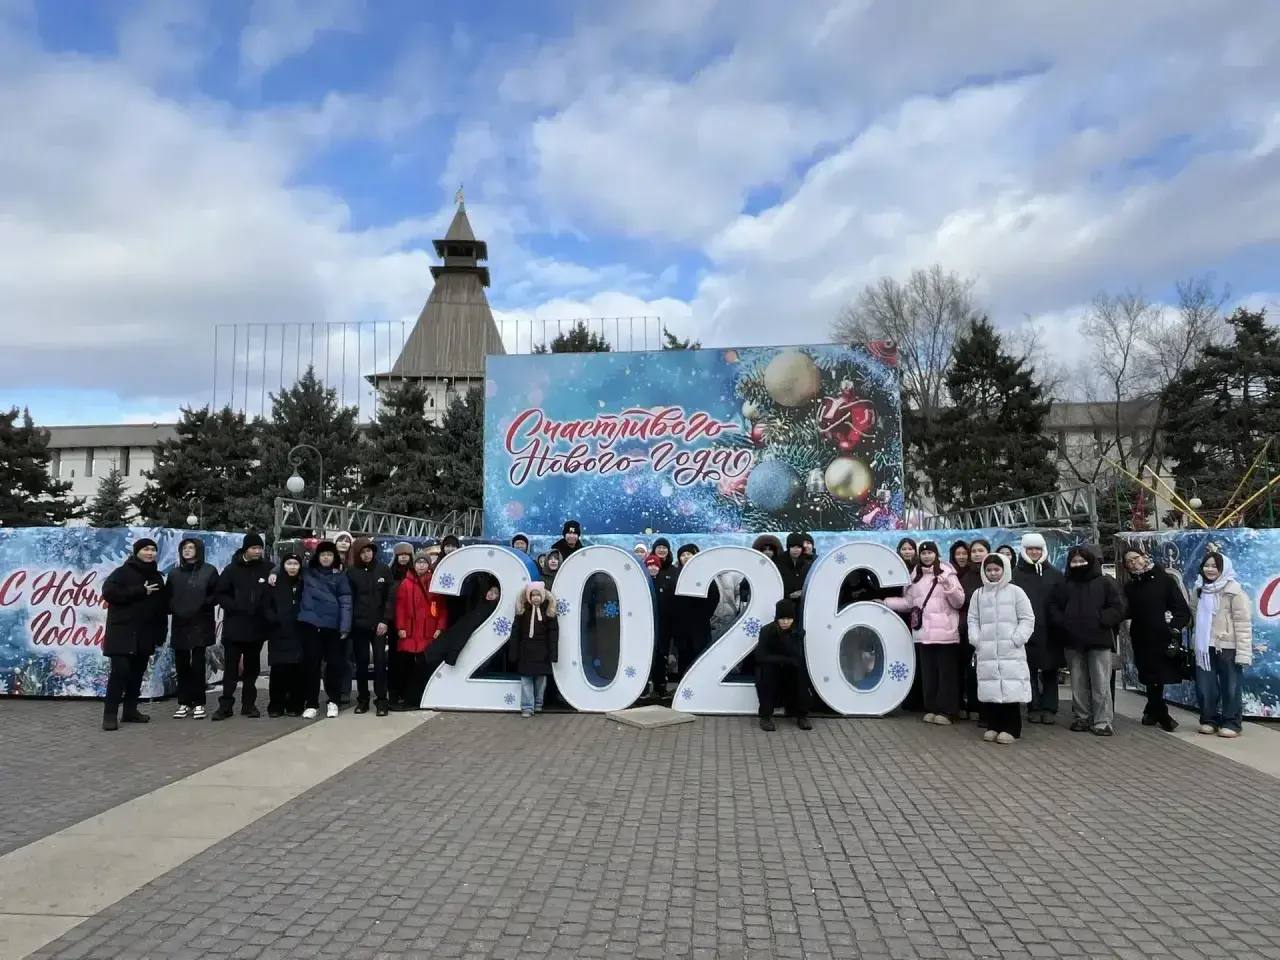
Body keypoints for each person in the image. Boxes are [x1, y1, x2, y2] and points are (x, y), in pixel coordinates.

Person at [886, 540, 965, 723]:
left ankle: (947, 711)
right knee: (929, 674)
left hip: (945, 634)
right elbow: (908, 603)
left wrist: (949, 587)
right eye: (923, 553)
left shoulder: (947, 573)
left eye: (930, 552)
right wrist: (885, 602)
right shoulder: (915, 576)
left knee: (946, 675)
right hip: (923, 634)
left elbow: (959, 602)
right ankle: (932, 707)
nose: (927, 556)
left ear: (936, 554)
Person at [1052, 545, 1126, 736]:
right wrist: (1064, 622)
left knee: (1101, 682)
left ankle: (1102, 720)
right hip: (1072, 640)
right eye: (1074, 561)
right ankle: (1081, 717)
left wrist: (1102, 619)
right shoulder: (1064, 584)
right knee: (1077, 682)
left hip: (1099, 639)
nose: (1078, 564)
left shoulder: (1105, 582)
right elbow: (1054, 607)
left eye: (1082, 560)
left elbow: (1118, 607)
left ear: (1090, 561)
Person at [101, 538, 168, 731]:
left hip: (145, 633)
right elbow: (109, 593)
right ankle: (110, 715)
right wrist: (140, 591)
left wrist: (161, 633)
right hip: (122, 633)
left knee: (137, 674)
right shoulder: (122, 572)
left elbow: (161, 608)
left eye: (153, 550)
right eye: (146, 549)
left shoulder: (157, 577)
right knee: (119, 673)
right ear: (137, 552)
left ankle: (130, 711)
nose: (150, 553)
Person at [1122, 547, 1191, 732]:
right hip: (1141, 637)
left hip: (1163, 637)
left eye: (1135, 558)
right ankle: (1153, 712)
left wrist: (1174, 628)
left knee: (1157, 677)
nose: (1133, 563)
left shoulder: (1164, 581)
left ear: (1144, 557)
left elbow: (1181, 610)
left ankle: (1160, 714)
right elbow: (1126, 611)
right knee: (1149, 677)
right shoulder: (1129, 587)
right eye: (1128, 562)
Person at [968, 553, 1034, 744]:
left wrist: (1017, 639)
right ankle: (993, 725)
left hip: (1010, 650)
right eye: (989, 570)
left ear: (1004, 570)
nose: (993, 573)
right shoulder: (978, 594)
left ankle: (1012, 729)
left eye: (997, 569)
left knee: (1010, 689)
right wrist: (976, 639)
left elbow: (1027, 618)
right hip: (987, 650)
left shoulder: (1016, 592)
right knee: (991, 688)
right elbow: (973, 619)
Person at [213, 533, 274, 720]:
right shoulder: (231, 569)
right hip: (235, 627)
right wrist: (235, 606)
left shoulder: (268, 568)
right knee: (231, 669)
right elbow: (221, 593)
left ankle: (249, 705)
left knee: (252, 669)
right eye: (254, 548)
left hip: (256, 628)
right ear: (245, 549)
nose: (257, 551)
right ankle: (225, 706)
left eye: (260, 548)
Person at [1193, 552, 1253, 738]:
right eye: (1207, 565)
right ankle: (1208, 720)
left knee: (1231, 686)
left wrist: (1243, 653)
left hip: (1228, 646)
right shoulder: (1199, 589)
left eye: (1215, 566)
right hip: (1204, 647)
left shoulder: (1234, 591)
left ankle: (1231, 722)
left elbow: (1243, 624)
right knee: (1205, 686)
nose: (1210, 569)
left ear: (1223, 568)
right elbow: (1193, 614)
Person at [1012, 532, 1066, 725]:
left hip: (1051, 631)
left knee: (1050, 670)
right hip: (1026, 631)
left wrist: (1059, 622)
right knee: (1029, 671)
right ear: (1024, 550)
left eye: (1037, 549)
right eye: (1030, 549)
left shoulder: (1055, 575)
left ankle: (1050, 707)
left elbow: (1063, 602)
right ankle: (1033, 706)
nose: (1034, 552)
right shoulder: (1015, 575)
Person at [297, 540, 353, 719]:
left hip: (332, 627)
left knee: (334, 665)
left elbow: (346, 602)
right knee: (311, 665)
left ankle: (333, 701)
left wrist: (344, 626)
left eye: (329, 554)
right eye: (323, 554)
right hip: (310, 625)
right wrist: (274, 574)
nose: (326, 558)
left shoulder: (340, 576)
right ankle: (311, 703)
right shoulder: (307, 572)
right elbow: (287, 567)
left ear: (334, 557)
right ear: (318, 556)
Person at [167, 536, 218, 719]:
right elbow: (168, 596)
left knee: (197, 665)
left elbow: (216, 594)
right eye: (184, 548)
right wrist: (175, 608)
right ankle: (183, 702)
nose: (187, 550)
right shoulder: (174, 574)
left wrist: (201, 605)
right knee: (181, 665)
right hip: (180, 623)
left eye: (191, 547)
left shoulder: (209, 571)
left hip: (200, 623)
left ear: (198, 550)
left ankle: (199, 703)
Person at [345, 537, 397, 716]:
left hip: (379, 625)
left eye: (369, 551)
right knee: (361, 663)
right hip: (359, 625)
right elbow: (349, 599)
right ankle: (363, 699)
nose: (366, 555)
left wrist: (385, 620)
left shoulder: (383, 569)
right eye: (362, 552)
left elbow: (390, 597)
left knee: (380, 662)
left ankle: (381, 700)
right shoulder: (351, 572)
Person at [394, 550, 449, 710]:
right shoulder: (406, 583)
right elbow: (400, 607)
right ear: (414, 564)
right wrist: (400, 627)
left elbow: (442, 608)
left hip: (428, 631)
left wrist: (440, 627)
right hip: (410, 631)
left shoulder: (435, 582)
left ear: (429, 565)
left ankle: (421, 697)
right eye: (418, 562)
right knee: (407, 665)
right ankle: (406, 697)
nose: (421, 565)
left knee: (424, 665)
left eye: (424, 562)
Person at [755, 599, 812, 731]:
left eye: (789, 619)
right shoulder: (767, 631)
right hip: (771, 666)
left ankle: (802, 715)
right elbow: (760, 656)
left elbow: (796, 655)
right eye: (782, 619)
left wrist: (791, 638)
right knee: (767, 673)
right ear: (777, 618)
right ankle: (765, 716)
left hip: (788, 668)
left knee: (800, 673)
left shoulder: (797, 632)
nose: (785, 622)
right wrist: (784, 659)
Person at [510, 581, 559, 717]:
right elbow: (515, 633)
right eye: (533, 595)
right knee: (526, 680)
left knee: (541, 680)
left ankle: (538, 703)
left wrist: (553, 654)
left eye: (538, 595)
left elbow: (553, 634)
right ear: (528, 596)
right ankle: (527, 707)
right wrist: (513, 653)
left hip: (542, 652)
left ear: (542, 595)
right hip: (525, 651)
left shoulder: (548, 612)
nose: (536, 598)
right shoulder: (523, 612)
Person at [266, 553, 306, 717]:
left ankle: (295, 705)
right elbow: (266, 605)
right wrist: (274, 619)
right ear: (283, 565)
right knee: (278, 670)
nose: (292, 567)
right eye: (289, 563)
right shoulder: (274, 583)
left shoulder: (304, 583)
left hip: (298, 632)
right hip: (278, 632)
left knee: (297, 671)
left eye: (295, 564)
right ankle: (276, 705)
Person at [670, 544, 718, 679]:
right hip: (681, 626)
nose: (686, 557)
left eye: (688, 554)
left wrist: (703, 616)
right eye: (682, 555)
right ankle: (683, 685)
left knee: (700, 657)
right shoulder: (675, 574)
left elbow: (714, 597)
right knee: (683, 657)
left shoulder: (705, 574)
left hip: (700, 625)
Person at [951, 540, 981, 720]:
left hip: (977, 627)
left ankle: (975, 705)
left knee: (974, 669)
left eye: (965, 553)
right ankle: (959, 704)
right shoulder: (950, 574)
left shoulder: (980, 574)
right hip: (958, 627)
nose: (961, 557)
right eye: (958, 553)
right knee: (958, 668)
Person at [777, 533, 812, 604]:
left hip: (803, 601)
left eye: (798, 547)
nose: (796, 550)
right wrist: (788, 595)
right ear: (788, 547)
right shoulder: (779, 562)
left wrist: (803, 592)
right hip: (784, 601)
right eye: (793, 547)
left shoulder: (807, 562)